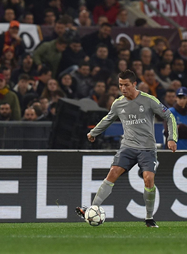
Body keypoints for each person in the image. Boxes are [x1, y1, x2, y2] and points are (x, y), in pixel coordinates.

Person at [76, 69, 177, 228]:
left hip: (147, 148)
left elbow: (169, 116)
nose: (123, 89)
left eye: (126, 85)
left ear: (134, 84)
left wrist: (172, 138)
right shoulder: (118, 103)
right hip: (128, 147)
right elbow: (108, 119)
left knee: (148, 179)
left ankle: (149, 218)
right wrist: (94, 132)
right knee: (113, 173)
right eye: (120, 85)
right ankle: (92, 208)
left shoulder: (149, 100)